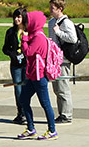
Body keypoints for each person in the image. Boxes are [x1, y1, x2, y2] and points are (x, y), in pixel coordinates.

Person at [15, 11, 58, 140]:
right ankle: (30, 128)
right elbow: (29, 41)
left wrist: (23, 38)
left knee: (45, 103)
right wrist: (24, 36)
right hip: (33, 75)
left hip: (39, 76)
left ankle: (52, 130)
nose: (26, 23)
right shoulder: (34, 35)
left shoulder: (39, 37)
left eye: (28, 21)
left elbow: (28, 51)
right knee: (23, 99)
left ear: (34, 22)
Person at [47, 0, 77, 124]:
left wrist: (59, 32)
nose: (50, 11)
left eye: (52, 8)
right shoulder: (51, 22)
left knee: (63, 88)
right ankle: (62, 113)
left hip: (63, 60)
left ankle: (66, 115)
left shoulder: (66, 23)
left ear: (60, 9)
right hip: (54, 59)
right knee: (57, 88)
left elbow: (73, 39)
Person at [1, 8, 28, 125]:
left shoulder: (29, 31)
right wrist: (13, 54)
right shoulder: (10, 32)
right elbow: (5, 48)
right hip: (15, 65)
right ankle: (20, 113)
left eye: (19, 17)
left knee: (27, 89)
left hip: (27, 64)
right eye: (15, 17)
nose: (17, 19)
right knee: (18, 89)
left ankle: (27, 112)